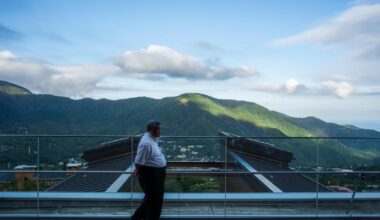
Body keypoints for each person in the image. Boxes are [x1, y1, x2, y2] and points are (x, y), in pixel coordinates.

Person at [131, 120, 167, 220]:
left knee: (151, 198)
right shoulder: (146, 143)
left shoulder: (152, 139)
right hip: (151, 175)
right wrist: (137, 170)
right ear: (150, 130)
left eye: (160, 128)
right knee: (155, 201)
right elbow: (138, 161)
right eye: (157, 129)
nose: (159, 131)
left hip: (155, 174)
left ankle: (136, 217)